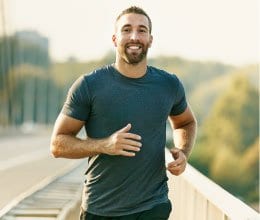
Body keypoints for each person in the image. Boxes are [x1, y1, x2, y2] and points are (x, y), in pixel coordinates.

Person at [50, 6, 197, 220]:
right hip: (101, 210)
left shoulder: (169, 84)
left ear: (150, 39)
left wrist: (183, 152)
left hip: (153, 208)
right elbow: (57, 144)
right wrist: (104, 145)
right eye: (126, 30)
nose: (134, 37)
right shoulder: (89, 85)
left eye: (142, 30)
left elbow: (185, 122)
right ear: (114, 38)